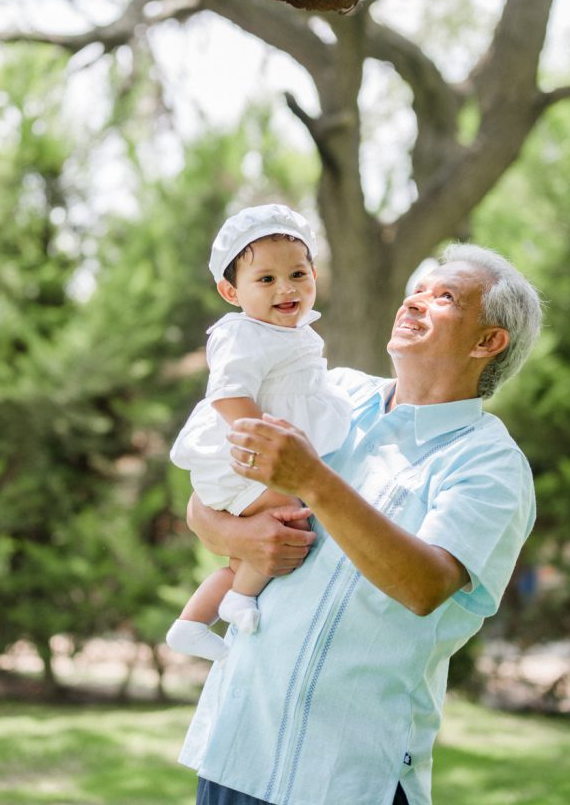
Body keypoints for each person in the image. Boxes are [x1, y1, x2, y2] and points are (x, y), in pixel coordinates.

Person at [178, 243, 543, 805]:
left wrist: (313, 481)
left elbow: (423, 587)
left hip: (350, 779)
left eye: (444, 297)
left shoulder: (490, 465)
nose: (415, 302)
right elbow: (205, 501)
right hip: (236, 752)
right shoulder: (330, 391)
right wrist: (238, 535)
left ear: (487, 341)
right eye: (418, 289)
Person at [166, 204, 351, 663]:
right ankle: (239, 601)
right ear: (231, 291)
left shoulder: (294, 332)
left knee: (252, 546)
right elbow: (227, 396)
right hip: (243, 459)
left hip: (261, 456)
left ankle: (192, 622)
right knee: (290, 514)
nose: (286, 288)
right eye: (266, 280)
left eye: (297, 274)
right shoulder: (242, 334)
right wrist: (269, 444)